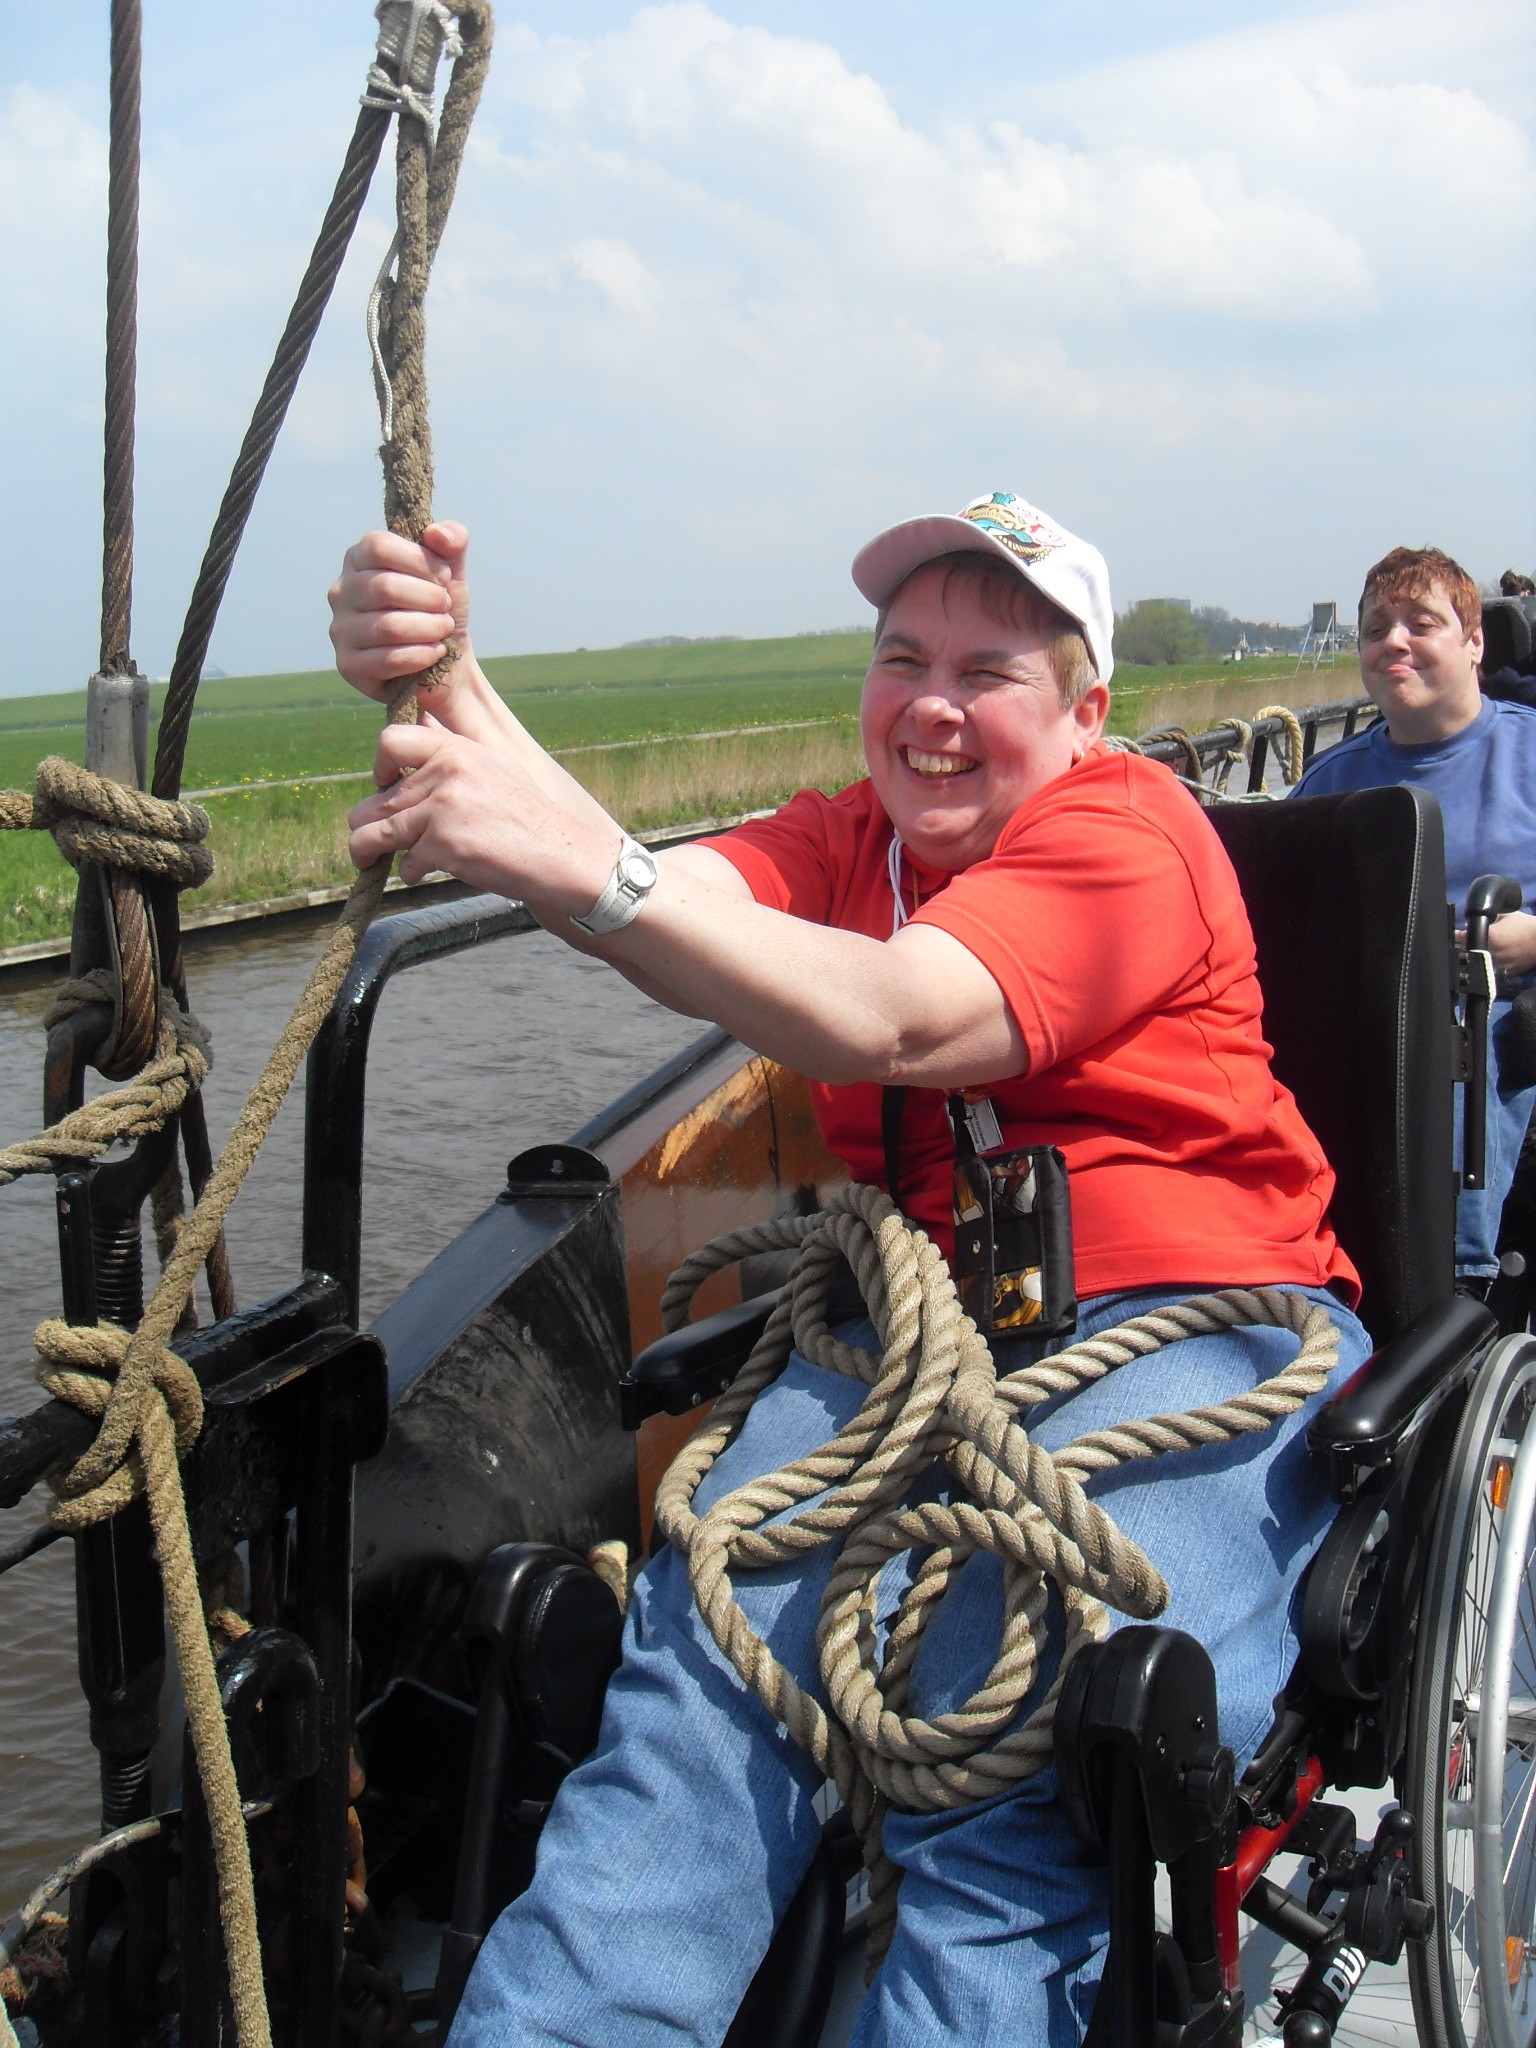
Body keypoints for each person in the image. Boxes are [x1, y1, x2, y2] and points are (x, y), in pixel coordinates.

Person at [329, 490, 1370, 2046]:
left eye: (990, 671)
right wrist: (453, 682)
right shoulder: (852, 839)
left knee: (1011, 1753)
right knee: (696, 1708)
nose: (933, 707)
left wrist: (576, 869)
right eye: (903, 657)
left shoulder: (1130, 829)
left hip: (1194, 1321)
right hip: (915, 1336)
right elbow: (657, 891)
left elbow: (896, 1015)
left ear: (1088, 713)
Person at [1293, 545, 1536, 1287]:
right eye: (1375, 628)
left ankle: (1457, 1278)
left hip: (1499, 1004)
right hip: (1375, 1005)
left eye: (1420, 623)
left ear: (1473, 642)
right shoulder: (1331, 786)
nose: (1393, 641)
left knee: (1466, 1030)